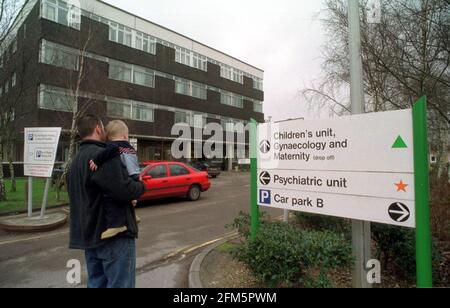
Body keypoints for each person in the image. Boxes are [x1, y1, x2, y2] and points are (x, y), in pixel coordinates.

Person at [67, 115, 145, 288]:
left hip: (89, 237)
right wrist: (141, 186)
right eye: (103, 128)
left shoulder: (75, 162)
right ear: (97, 129)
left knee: (96, 283)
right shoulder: (102, 156)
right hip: (113, 239)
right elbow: (124, 190)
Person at [88, 120, 141, 240]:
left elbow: (108, 152)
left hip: (125, 174)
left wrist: (96, 160)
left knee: (111, 198)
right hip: (135, 175)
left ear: (108, 138)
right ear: (125, 136)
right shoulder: (130, 147)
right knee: (129, 198)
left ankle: (116, 224)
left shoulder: (114, 146)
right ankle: (133, 216)